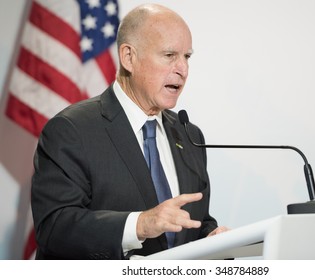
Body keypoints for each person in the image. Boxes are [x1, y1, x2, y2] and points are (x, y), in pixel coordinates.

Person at [31, 3, 227, 260]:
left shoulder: (189, 135)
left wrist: (212, 239)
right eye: (169, 55)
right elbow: (55, 227)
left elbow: (196, 222)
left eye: (187, 56)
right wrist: (140, 224)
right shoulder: (71, 130)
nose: (183, 69)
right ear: (129, 57)